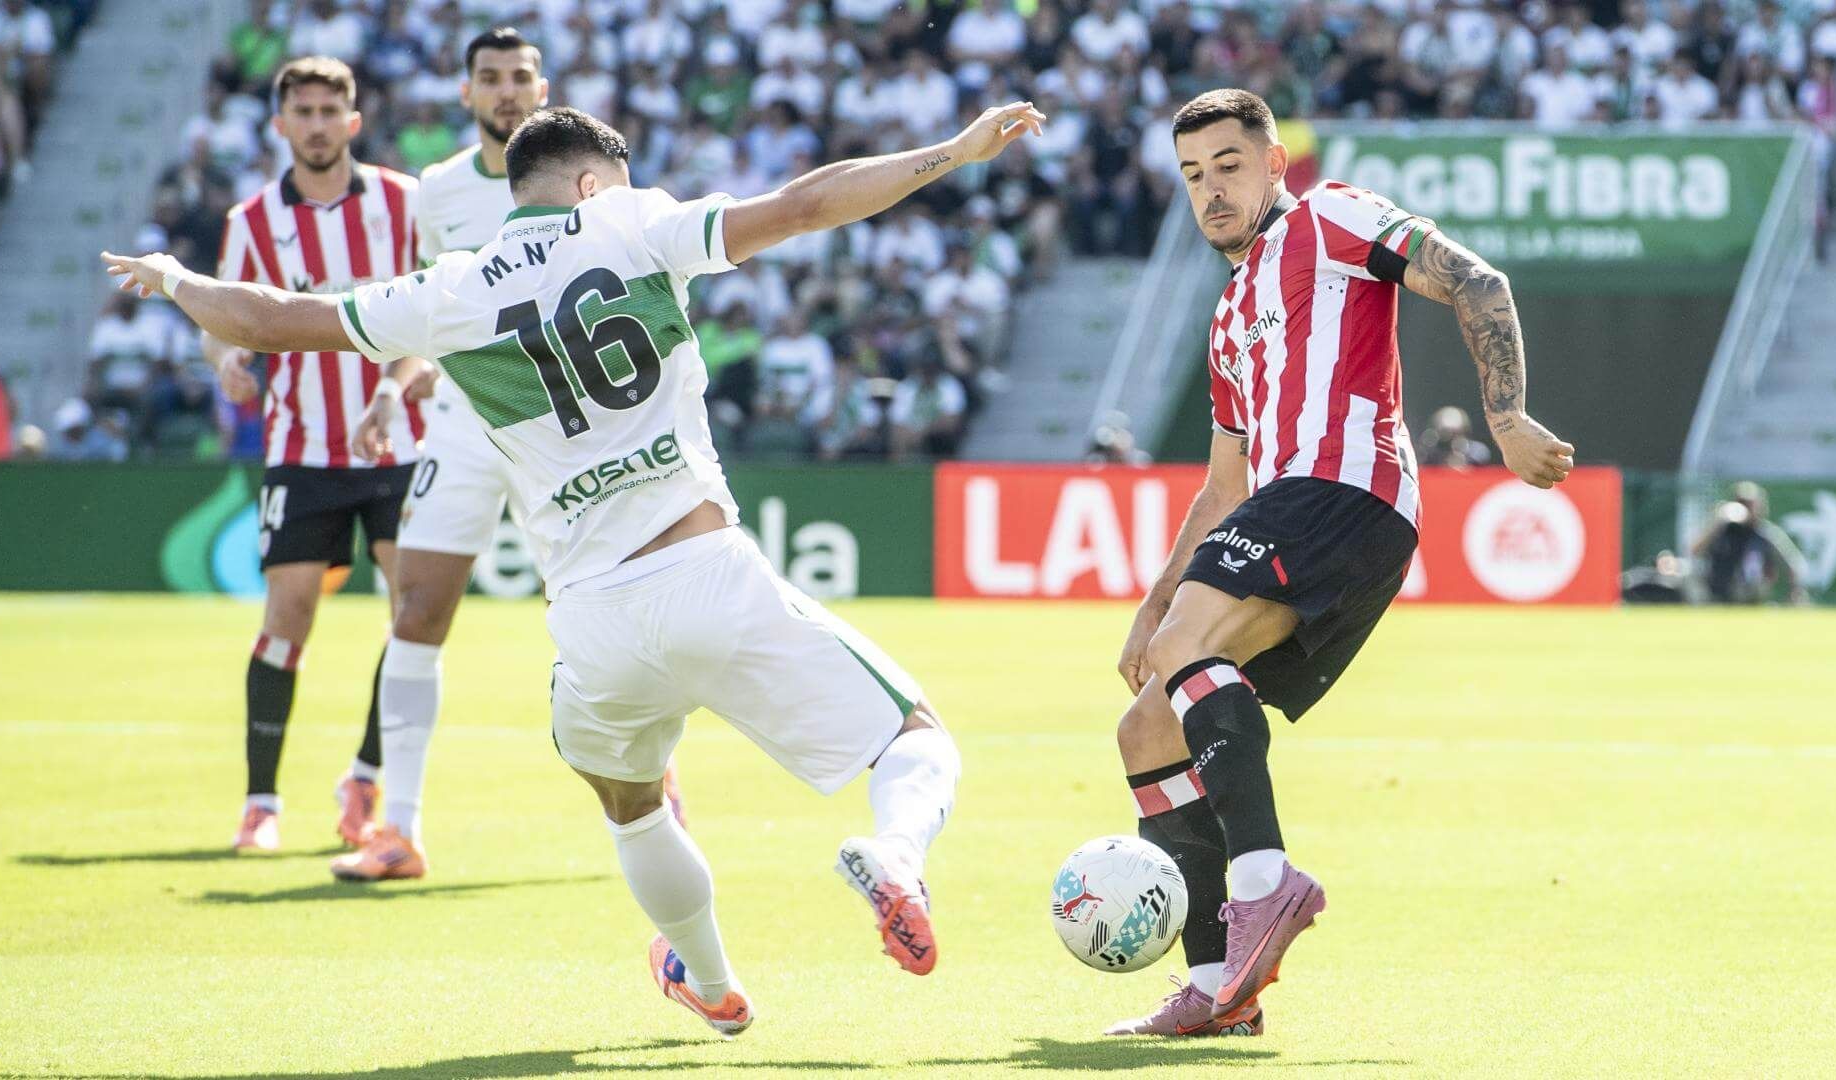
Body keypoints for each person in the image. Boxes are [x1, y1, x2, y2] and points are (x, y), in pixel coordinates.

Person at [105, 98, 1046, 1036]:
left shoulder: (450, 290)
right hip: (702, 564)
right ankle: (896, 858)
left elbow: (273, 320)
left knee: (634, 807)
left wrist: (177, 278)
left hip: (592, 619)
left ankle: (712, 986)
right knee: (917, 741)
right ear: (592, 183)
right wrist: (952, 154)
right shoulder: (627, 221)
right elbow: (804, 205)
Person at [1105, 89, 1573, 1038]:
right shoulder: (1229, 318)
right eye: (1194, 176)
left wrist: (1506, 417)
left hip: (1347, 489)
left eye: (1230, 166)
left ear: (1276, 164)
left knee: (1190, 651)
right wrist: (1155, 607)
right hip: (1290, 508)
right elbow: (1222, 485)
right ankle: (1215, 990)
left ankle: (1266, 884)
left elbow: (1478, 282)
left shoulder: (1332, 216)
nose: (1212, 192)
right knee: (1147, 729)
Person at [332, 26, 698, 886]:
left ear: (543, 87)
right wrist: (393, 387)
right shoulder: (441, 192)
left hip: (566, 434)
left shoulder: (588, 184)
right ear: (466, 94)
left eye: (520, 77)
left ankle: (655, 775)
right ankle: (401, 830)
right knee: (416, 612)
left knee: (617, 610)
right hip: (465, 421)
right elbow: (435, 313)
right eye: (490, 78)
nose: (506, 91)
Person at [207, 56, 426, 855]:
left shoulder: (404, 205)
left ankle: (365, 774)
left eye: (331, 110)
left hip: (401, 444)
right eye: (303, 110)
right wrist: (225, 360)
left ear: (354, 121)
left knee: (414, 615)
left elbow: (431, 318)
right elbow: (225, 317)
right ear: (280, 124)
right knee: (287, 620)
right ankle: (260, 802)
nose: (318, 124)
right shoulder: (253, 220)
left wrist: (396, 388)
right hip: (301, 449)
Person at [1691, 482, 1808, 605]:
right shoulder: (1721, 530)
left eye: (1750, 505)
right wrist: (1718, 521)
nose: (1747, 509)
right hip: (1718, 596)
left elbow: (1793, 565)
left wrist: (1796, 590)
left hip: (1752, 597)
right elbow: (1695, 550)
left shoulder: (1765, 534)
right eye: (1742, 503)